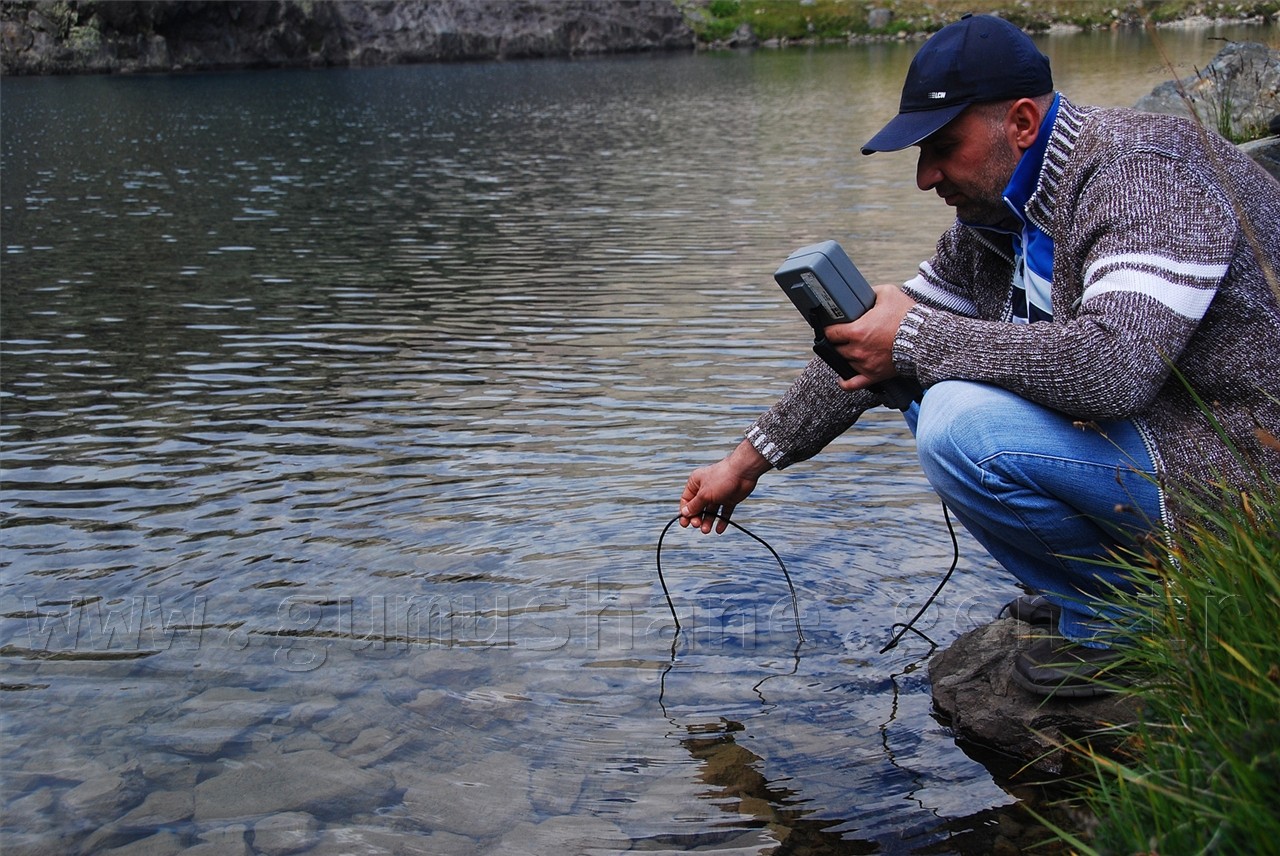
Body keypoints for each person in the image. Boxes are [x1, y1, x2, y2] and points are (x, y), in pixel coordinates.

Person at [677, 13, 1280, 698]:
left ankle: (1115, 622)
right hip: (1171, 441)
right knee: (921, 379)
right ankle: (1101, 590)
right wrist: (745, 462)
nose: (925, 176)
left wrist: (911, 338)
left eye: (942, 146)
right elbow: (874, 349)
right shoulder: (993, 223)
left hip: (1249, 469)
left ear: (1021, 123)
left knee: (958, 421)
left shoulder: (1141, 172)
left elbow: (1115, 369)